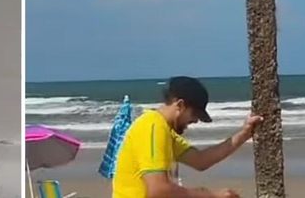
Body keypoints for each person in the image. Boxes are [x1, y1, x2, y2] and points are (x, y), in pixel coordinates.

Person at [112, 76, 263, 198]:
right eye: (194, 114)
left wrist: (244, 134)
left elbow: (201, 160)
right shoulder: (152, 126)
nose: (195, 121)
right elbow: (158, 190)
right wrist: (209, 195)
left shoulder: (165, 131)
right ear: (180, 105)